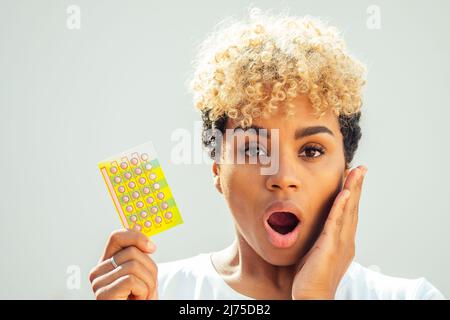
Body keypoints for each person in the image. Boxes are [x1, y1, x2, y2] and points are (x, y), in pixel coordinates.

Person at [89, 7, 445, 300]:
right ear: (216, 169)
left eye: (311, 150)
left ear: (346, 170)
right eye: (254, 149)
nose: (283, 177)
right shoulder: (152, 293)